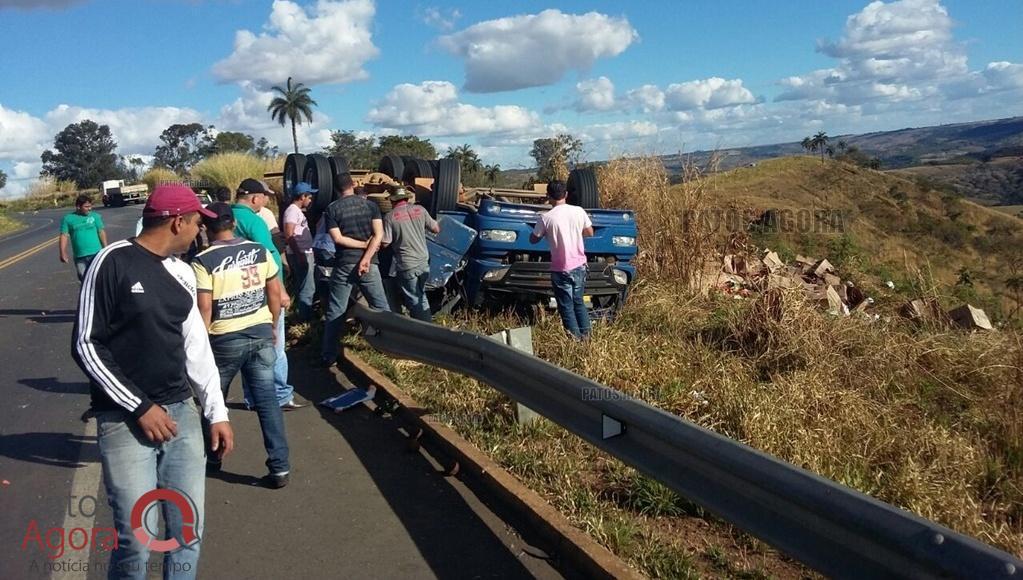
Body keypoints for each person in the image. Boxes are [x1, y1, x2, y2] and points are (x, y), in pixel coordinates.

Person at [71, 184, 234, 579]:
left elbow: (196, 349)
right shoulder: (111, 262)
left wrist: (216, 412)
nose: (199, 232)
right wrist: (140, 407)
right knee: (137, 541)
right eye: (197, 223)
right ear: (178, 221)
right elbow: (85, 344)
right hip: (124, 420)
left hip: (181, 414)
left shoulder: (182, 273)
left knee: (186, 533)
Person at [192, 203, 291, 488]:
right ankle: (280, 466)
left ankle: (213, 457)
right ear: (233, 223)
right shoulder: (259, 251)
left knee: (213, 401)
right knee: (267, 402)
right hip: (259, 333)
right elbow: (274, 292)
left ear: (206, 228)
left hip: (224, 339)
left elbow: (205, 306)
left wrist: (201, 343)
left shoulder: (203, 260)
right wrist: (272, 326)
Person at [232, 178, 305, 410]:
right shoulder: (254, 221)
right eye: (264, 196)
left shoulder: (229, 219)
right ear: (255, 198)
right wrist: (282, 291)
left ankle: (252, 397)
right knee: (275, 344)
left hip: (243, 291)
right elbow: (268, 257)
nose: (266, 201)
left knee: (251, 347)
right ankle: (281, 395)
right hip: (267, 291)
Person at [319, 173, 390, 367]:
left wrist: (359, 246)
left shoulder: (332, 209)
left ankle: (328, 354)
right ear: (352, 185)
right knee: (381, 307)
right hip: (369, 265)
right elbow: (379, 235)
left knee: (336, 309)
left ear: (336, 189)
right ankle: (389, 348)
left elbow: (338, 239)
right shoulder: (371, 206)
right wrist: (366, 257)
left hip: (344, 264)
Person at [529, 181, 594, 339]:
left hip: (560, 268)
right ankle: (588, 338)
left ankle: (574, 340)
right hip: (579, 265)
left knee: (566, 305)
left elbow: (533, 239)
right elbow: (589, 232)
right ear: (566, 195)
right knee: (578, 302)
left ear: (548, 196)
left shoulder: (545, 218)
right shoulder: (579, 211)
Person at [382, 185, 440, 322]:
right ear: (407, 198)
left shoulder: (390, 217)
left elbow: (385, 242)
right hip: (423, 262)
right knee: (420, 294)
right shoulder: (420, 210)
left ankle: (424, 331)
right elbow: (436, 228)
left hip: (407, 264)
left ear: (392, 200)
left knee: (416, 299)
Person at [283, 183, 316, 322]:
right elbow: (289, 234)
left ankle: (301, 314)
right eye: (309, 197)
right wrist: (299, 254)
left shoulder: (296, 211)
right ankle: (305, 318)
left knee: (303, 284)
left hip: (304, 252)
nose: (310, 200)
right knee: (307, 287)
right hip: (301, 253)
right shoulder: (292, 211)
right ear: (303, 196)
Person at [60, 194, 107, 281]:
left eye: (90, 206)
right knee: (84, 279)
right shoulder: (68, 219)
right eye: (86, 207)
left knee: (99, 278)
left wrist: (105, 248)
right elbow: (64, 235)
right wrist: (62, 252)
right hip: (80, 256)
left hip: (96, 253)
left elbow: (101, 232)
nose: (89, 208)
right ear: (78, 207)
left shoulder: (95, 216)